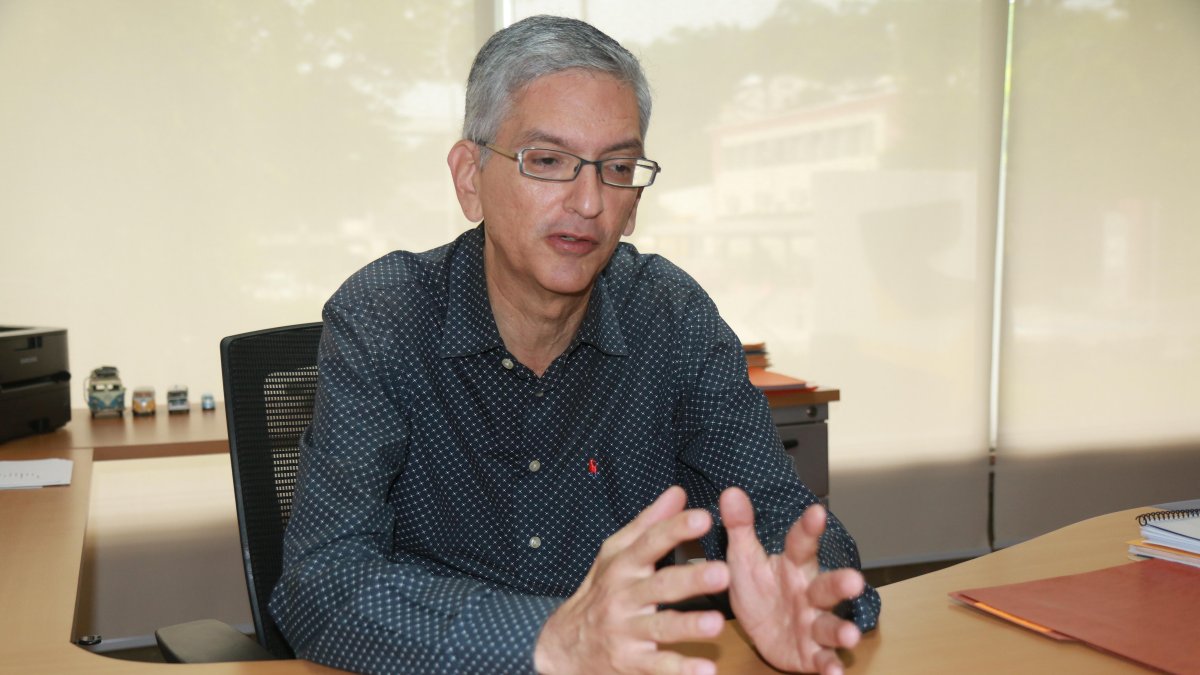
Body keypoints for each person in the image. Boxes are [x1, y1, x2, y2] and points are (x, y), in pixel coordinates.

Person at [271, 14, 880, 675]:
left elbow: (780, 513)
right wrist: (551, 636)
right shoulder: (386, 316)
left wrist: (815, 596)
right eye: (549, 161)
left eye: (617, 166)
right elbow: (322, 583)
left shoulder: (670, 316)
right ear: (469, 177)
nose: (589, 201)